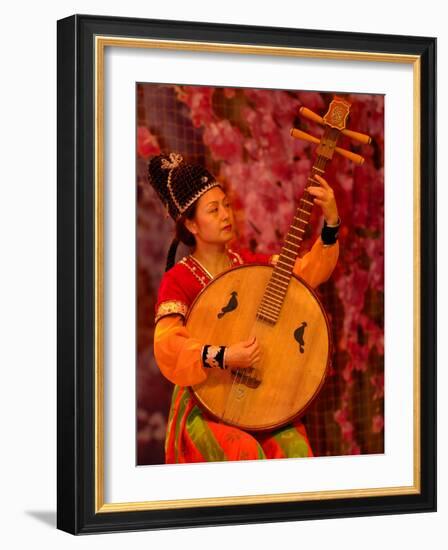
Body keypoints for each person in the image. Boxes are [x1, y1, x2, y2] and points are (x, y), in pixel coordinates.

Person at [147, 152, 340, 463]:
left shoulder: (246, 265)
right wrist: (225, 355)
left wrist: (331, 223)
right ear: (192, 224)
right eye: (213, 209)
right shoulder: (179, 279)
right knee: (243, 450)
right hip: (204, 403)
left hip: (259, 399)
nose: (226, 214)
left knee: (295, 449)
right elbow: (167, 346)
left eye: (226, 205)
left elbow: (303, 276)